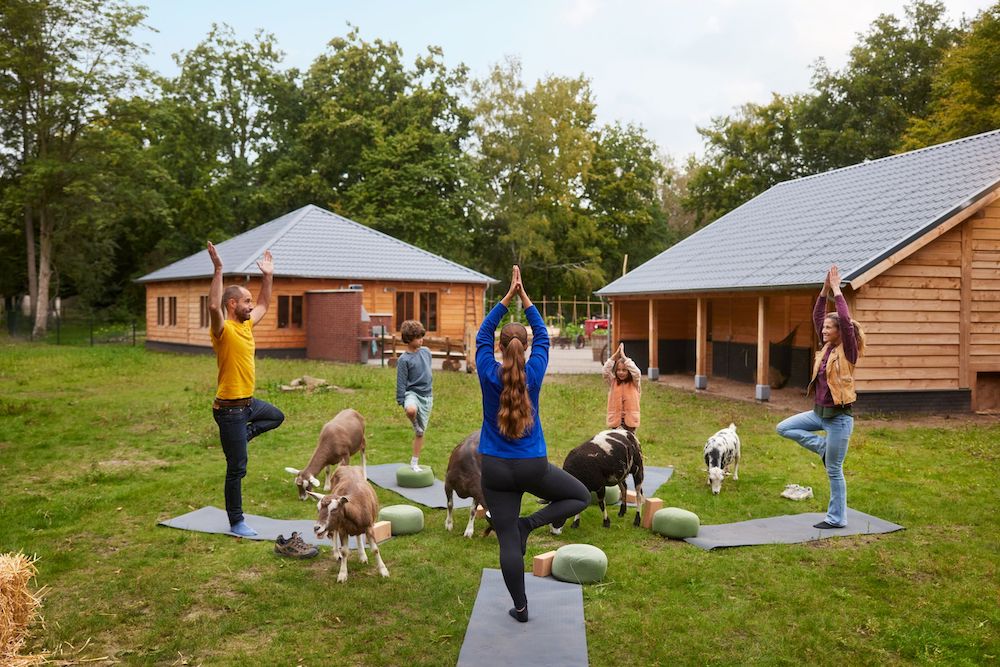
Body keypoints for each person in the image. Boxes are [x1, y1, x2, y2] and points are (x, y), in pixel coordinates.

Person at [476, 265, 590, 623]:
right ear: (525, 348)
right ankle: (530, 525)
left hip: (494, 467)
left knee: (508, 541)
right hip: (532, 465)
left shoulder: (486, 370)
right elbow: (543, 335)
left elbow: (481, 336)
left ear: (498, 347)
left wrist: (505, 299)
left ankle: (521, 608)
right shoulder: (535, 372)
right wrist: (525, 299)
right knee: (581, 496)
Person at [776, 265, 866, 529]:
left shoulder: (848, 351)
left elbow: (847, 323)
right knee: (783, 428)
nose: (824, 331)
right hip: (818, 414)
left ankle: (837, 519)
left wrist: (838, 290)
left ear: (839, 332)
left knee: (834, 471)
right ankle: (821, 447)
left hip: (838, 419)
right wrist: (824, 290)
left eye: (829, 328)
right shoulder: (826, 347)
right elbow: (817, 315)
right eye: (824, 328)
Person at [207, 241, 285, 537]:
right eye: (246, 301)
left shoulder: (247, 325)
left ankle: (244, 436)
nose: (252, 306)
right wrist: (218, 269)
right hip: (229, 410)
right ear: (233, 305)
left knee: (276, 416)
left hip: (248, 404)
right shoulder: (223, 330)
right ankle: (236, 521)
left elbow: (265, 304)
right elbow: (213, 305)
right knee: (237, 468)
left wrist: (268, 277)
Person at [396, 319, 433, 471]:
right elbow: (401, 381)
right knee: (411, 410)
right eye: (418, 338)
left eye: (421, 336)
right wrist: (401, 399)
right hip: (412, 393)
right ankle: (415, 423)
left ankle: (414, 462)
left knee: (420, 433)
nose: (421, 340)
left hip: (427, 396)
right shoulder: (403, 360)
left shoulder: (426, 352)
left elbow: (427, 371)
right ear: (409, 339)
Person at [603, 342, 641, 432]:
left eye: (624, 370)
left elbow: (637, 372)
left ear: (629, 371)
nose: (621, 372)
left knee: (629, 441)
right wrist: (614, 357)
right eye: (618, 370)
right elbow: (605, 371)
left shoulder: (635, 382)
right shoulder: (613, 382)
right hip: (616, 420)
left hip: (630, 420)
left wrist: (625, 358)